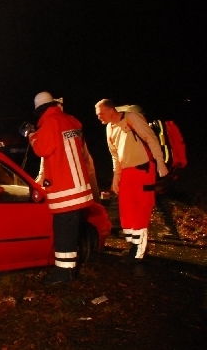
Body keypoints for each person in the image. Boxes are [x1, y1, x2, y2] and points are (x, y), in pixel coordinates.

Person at [29, 91, 94, 284]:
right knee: (71, 232)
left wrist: (31, 135)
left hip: (66, 190)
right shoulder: (72, 120)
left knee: (64, 232)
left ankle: (63, 274)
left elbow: (42, 148)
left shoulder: (50, 123)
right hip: (80, 188)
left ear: (40, 110)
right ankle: (69, 270)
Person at [94, 98, 169, 263]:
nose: (99, 117)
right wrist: (116, 177)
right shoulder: (109, 128)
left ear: (110, 110)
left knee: (141, 208)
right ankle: (134, 245)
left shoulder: (131, 118)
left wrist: (160, 162)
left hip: (143, 169)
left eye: (100, 114)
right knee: (127, 210)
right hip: (127, 172)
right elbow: (115, 155)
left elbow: (151, 138)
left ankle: (138, 251)